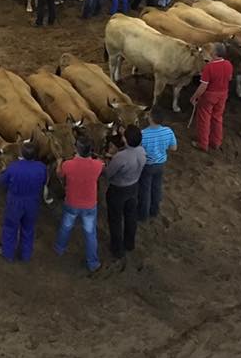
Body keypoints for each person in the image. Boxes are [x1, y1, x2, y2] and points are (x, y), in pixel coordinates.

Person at [53, 137, 104, 272]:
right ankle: (93, 262)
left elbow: (59, 174)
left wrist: (59, 163)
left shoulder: (68, 165)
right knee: (90, 233)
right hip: (89, 205)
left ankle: (59, 248)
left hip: (72, 202)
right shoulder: (98, 165)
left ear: (76, 149)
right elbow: (101, 165)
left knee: (66, 226)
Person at [0, 140, 48, 263]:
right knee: (28, 228)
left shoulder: (13, 167)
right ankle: (26, 255)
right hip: (32, 202)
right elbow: (44, 181)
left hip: (15, 202)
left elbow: (2, 181)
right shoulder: (41, 167)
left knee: (10, 227)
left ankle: (8, 253)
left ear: (22, 154)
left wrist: (4, 171)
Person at [105, 125, 146, 260]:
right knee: (130, 217)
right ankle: (129, 243)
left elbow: (108, 174)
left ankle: (117, 249)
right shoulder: (141, 151)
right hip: (134, 187)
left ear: (126, 140)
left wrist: (108, 160)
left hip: (118, 190)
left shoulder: (120, 157)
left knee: (115, 219)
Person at [190, 42, 233, 152]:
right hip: (223, 94)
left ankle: (203, 143)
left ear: (214, 53)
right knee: (217, 117)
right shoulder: (228, 64)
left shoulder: (209, 67)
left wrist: (194, 96)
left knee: (204, 118)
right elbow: (229, 78)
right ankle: (216, 142)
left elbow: (203, 85)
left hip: (210, 95)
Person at [138, 110, 177, 220]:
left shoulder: (143, 133)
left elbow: (139, 149)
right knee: (156, 187)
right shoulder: (168, 131)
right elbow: (173, 148)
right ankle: (154, 210)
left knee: (145, 190)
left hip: (148, 165)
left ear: (150, 118)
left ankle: (143, 214)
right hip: (161, 164)